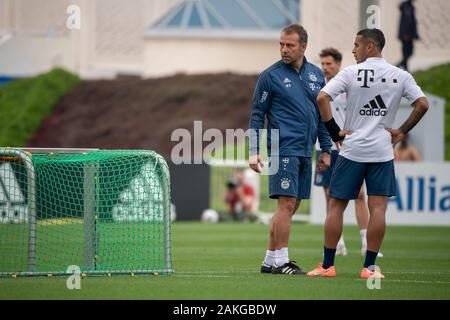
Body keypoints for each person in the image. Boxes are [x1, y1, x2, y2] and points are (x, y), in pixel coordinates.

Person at [308, 28, 429, 279]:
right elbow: (422, 104)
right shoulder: (400, 74)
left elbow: (322, 98)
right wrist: (401, 131)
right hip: (382, 151)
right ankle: (370, 268)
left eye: (356, 45)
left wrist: (334, 132)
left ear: (370, 47)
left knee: (335, 206)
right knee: (379, 209)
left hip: (352, 150)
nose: (353, 50)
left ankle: (328, 266)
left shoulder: (351, 73)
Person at [248, 24, 332, 275]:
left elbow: (321, 115)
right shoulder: (270, 76)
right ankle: (282, 261)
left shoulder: (317, 74)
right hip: (282, 149)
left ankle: (269, 260)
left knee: (291, 207)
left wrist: (325, 148)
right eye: (281, 45)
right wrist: (254, 150)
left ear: (303, 47)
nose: (284, 49)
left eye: (289, 45)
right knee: (286, 204)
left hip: (306, 150)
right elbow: (256, 116)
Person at [314, 47, 381, 257]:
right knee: (330, 197)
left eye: (329, 63)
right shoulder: (319, 87)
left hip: (349, 147)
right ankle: (338, 242)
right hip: (325, 148)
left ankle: (365, 242)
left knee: (360, 195)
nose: (325, 67)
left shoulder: (350, 84)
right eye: (322, 64)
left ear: (338, 64)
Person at [397, 0, 419, 72]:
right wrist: (405, 34)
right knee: (408, 52)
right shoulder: (406, 7)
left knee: (408, 53)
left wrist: (415, 34)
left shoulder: (410, 7)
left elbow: (412, 22)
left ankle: (403, 67)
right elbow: (407, 21)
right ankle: (399, 65)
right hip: (406, 35)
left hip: (409, 35)